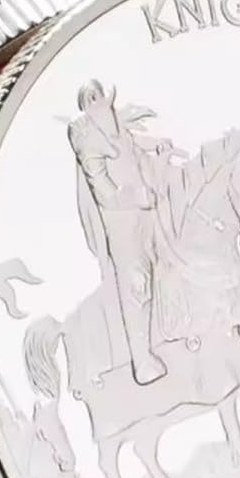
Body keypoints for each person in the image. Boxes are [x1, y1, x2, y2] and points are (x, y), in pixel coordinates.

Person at [67, 80, 169, 385]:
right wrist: (135, 197)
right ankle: (142, 362)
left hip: (144, 217)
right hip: (121, 224)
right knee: (136, 284)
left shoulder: (116, 128)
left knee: (161, 268)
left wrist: (159, 145)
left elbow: (133, 148)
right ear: (85, 105)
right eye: (90, 97)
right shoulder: (87, 138)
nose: (97, 100)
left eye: (98, 94)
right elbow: (104, 191)